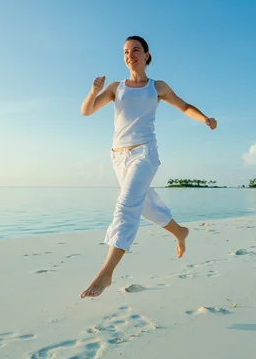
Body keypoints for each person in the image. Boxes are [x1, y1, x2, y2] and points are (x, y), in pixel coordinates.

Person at [79, 35, 217, 298]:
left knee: (126, 205)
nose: (130, 55)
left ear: (146, 55)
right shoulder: (115, 87)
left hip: (145, 153)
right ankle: (180, 231)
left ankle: (106, 272)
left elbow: (185, 106)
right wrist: (93, 91)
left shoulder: (157, 87)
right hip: (119, 157)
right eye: (125, 52)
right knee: (144, 205)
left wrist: (205, 119)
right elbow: (86, 111)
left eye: (136, 50)